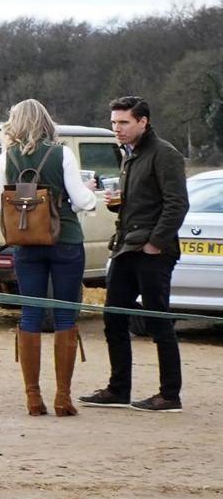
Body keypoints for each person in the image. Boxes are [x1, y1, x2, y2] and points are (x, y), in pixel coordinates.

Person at [0, 99, 102, 416]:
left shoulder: (5, 159)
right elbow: (82, 200)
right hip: (65, 240)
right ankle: (63, 398)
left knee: (30, 315)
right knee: (65, 316)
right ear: (46, 122)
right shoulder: (61, 153)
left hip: (26, 244)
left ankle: (33, 398)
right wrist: (87, 193)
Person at [81, 94, 191, 412]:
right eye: (114, 122)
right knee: (113, 318)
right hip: (126, 247)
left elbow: (177, 204)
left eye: (124, 122)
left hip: (153, 251)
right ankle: (119, 389)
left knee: (158, 322)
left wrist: (155, 243)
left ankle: (170, 395)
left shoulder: (165, 154)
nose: (117, 128)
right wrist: (119, 204)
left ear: (143, 121)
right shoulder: (129, 154)